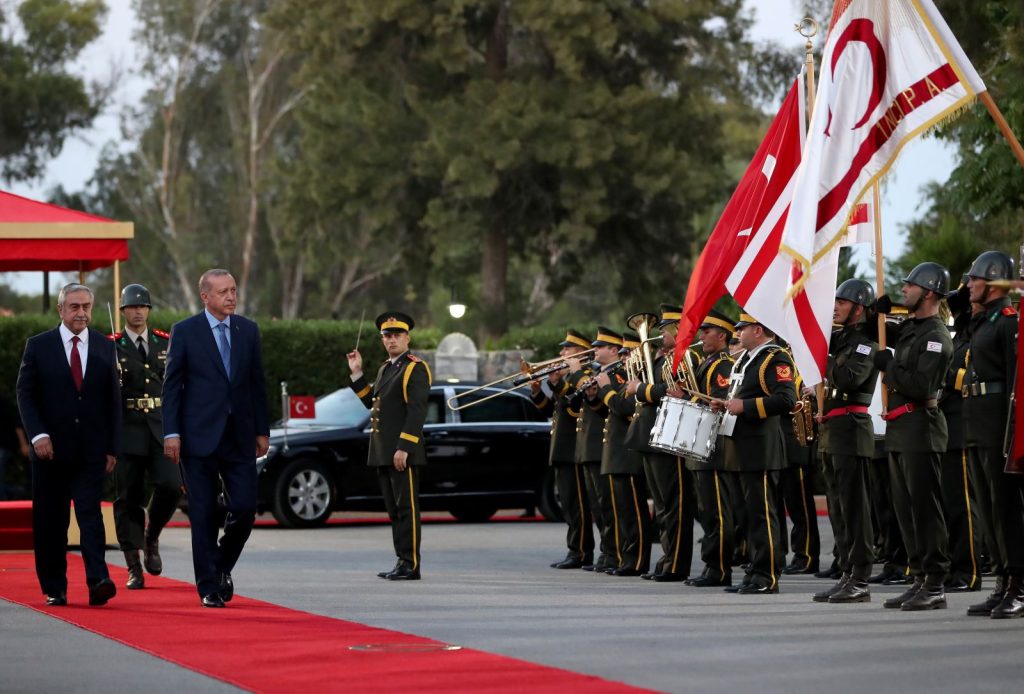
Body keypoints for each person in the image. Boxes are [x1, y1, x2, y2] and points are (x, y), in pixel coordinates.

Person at [162, 269, 270, 608]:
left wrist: (262, 430)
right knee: (204, 512)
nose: (231, 297)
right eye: (223, 291)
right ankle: (208, 586)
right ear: (205, 296)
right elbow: (172, 387)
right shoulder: (185, 332)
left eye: (233, 290)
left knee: (245, 508)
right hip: (197, 438)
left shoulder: (248, 330)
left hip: (239, 436)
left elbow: (256, 383)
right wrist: (172, 432)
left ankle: (220, 564)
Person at [16, 283, 121, 607]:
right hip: (50, 453)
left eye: (86, 306)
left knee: (90, 515)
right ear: (61, 310)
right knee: (51, 520)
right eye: (74, 306)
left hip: (90, 450)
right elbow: (26, 394)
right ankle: (54, 587)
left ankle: (98, 580)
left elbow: (112, 401)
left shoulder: (105, 347)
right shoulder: (39, 346)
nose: (81, 313)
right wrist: (38, 435)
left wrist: (112, 448)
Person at [874, 262, 953, 611]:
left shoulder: (935, 336)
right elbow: (877, 332)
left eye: (910, 286)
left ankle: (935, 583)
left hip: (921, 428)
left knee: (924, 510)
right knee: (906, 511)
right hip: (901, 430)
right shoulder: (911, 328)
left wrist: (888, 366)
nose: (904, 289)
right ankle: (919, 576)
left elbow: (921, 385)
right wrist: (873, 315)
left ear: (930, 292)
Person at [710, 312, 796, 595]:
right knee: (747, 514)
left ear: (758, 330)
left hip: (760, 447)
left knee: (761, 513)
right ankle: (754, 570)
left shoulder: (775, 357)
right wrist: (724, 404)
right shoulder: (748, 359)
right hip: (741, 446)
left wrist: (744, 407)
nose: (737, 333)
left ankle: (767, 574)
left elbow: (786, 399)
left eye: (742, 328)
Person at [961, 251, 1023, 618]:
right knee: (988, 509)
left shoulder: (1008, 322)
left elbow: (1018, 379)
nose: (968, 285)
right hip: (978, 423)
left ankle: (1019, 582)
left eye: (974, 279)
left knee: (1007, 509)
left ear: (995, 282)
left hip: (1000, 425)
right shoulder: (984, 321)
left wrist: (1014, 431)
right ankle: (1002, 579)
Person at [347, 311, 431, 581]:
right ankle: (401, 560)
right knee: (394, 510)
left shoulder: (415, 367)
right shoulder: (387, 367)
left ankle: (411, 564)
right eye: (387, 336)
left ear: (407, 337)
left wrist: (404, 447)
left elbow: (417, 411)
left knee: (407, 508)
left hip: (401, 451)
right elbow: (373, 403)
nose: (392, 339)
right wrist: (357, 373)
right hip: (384, 451)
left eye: (397, 335)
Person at [812, 279, 879, 604]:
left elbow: (849, 377)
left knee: (855, 509)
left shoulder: (866, 343)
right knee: (838, 508)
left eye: (842, 301)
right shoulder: (839, 340)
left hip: (852, 430)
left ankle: (861, 577)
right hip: (833, 431)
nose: (835, 306)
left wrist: (819, 357)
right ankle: (847, 571)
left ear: (859, 307)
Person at [111, 283, 181, 590]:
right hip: (126, 428)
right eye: (132, 307)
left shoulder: (165, 342)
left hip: (160, 425)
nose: (137, 311)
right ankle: (133, 564)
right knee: (127, 497)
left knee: (170, 485)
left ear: (149, 310)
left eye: (142, 307)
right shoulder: (111, 345)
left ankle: (152, 537)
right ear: (123, 311)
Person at [624, 304, 697, 582]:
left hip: (672, 435)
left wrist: (640, 389)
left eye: (665, 329)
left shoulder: (687, 356)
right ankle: (668, 559)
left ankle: (677, 563)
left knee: (675, 503)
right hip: (653, 435)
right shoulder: (660, 358)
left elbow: (677, 391)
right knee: (663, 506)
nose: (660, 334)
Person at [530, 329, 594, 569]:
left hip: (573, 448)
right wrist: (537, 392)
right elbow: (551, 411)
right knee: (568, 503)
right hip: (561, 448)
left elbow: (573, 408)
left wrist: (557, 384)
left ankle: (581, 551)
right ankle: (575, 548)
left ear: (579, 352)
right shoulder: (569, 379)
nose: (561, 353)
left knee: (578, 504)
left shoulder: (584, 375)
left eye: (566, 349)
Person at [683, 310, 737, 588]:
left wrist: (691, 398)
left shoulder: (723, 365)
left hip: (713, 446)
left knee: (717, 511)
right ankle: (711, 565)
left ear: (722, 336)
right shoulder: (708, 363)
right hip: (701, 445)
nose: (701, 336)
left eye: (707, 331)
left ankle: (718, 568)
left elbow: (719, 402)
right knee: (707, 510)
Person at [594, 331, 652, 576]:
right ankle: (626, 557)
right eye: (624, 352)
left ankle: (636, 560)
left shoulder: (635, 379)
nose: (624, 356)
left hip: (627, 453)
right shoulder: (624, 377)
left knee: (633, 512)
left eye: (629, 352)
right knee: (621, 511)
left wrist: (606, 389)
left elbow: (626, 408)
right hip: (617, 453)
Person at [565, 327, 622, 573]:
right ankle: (607, 554)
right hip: (589, 448)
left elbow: (611, 408)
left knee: (609, 506)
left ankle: (613, 553)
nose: (596, 350)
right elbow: (574, 407)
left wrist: (577, 372)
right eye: (595, 346)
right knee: (599, 507)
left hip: (602, 446)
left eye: (600, 346)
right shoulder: (597, 373)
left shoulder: (607, 373)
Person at [938, 277, 982, 593]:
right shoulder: (961, 339)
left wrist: (945, 376)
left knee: (965, 506)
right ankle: (958, 566)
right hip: (950, 430)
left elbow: (977, 376)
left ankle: (969, 572)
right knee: (953, 504)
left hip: (966, 428)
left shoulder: (978, 338)